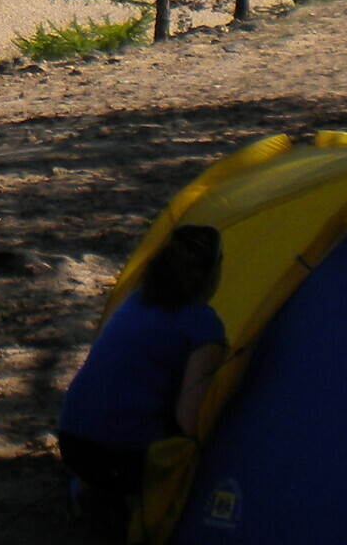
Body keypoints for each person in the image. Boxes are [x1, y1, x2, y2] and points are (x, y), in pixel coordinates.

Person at [57, 224, 228, 535]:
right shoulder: (204, 325)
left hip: (70, 443)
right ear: (213, 272)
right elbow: (189, 421)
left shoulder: (134, 300)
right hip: (121, 459)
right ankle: (140, 508)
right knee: (188, 449)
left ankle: (91, 492)